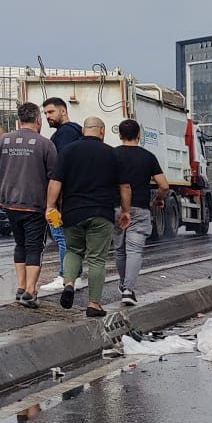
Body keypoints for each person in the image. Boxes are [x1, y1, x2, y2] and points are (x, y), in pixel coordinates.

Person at [46, 116, 125, 317]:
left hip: (73, 212)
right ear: (102, 131)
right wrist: (125, 210)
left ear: (83, 131)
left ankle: (69, 283)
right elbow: (124, 186)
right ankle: (94, 304)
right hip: (102, 213)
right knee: (97, 259)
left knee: (73, 250)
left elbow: (56, 181)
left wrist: (50, 206)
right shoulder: (112, 154)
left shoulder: (68, 151)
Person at [0, 101, 59, 307]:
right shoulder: (46, 144)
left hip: (9, 203)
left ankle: (20, 287)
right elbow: (54, 176)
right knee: (34, 248)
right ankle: (30, 291)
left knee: (19, 244)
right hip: (34, 204)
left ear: (18, 121)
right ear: (38, 120)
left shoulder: (3, 140)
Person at [111, 118, 168, 308]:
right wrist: (158, 199)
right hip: (140, 209)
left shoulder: (112, 155)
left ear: (119, 135)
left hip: (117, 208)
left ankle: (122, 283)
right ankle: (128, 290)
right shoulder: (148, 156)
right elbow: (164, 185)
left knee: (119, 249)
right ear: (139, 135)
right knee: (134, 250)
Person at [40, 98, 83, 293]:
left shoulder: (65, 134)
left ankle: (66, 275)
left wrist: (55, 199)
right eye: (45, 113)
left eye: (51, 112)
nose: (48, 116)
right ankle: (74, 275)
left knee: (62, 236)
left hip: (63, 196)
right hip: (72, 194)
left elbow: (60, 169)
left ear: (63, 111)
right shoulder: (75, 132)